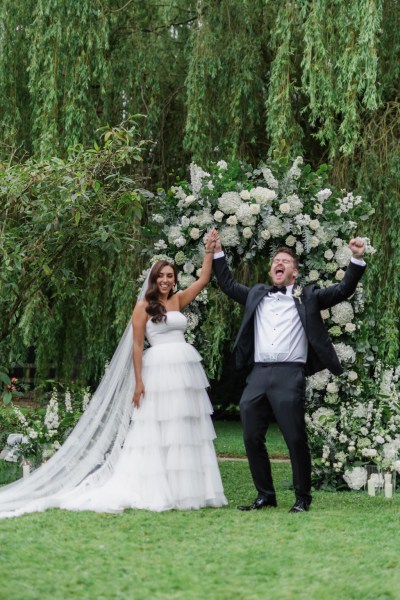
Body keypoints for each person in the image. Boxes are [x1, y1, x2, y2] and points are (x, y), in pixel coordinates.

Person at [0, 229, 226, 518]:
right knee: (156, 429)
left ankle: (185, 489)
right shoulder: (143, 306)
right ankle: (155, 487)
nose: (167, 281)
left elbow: (205, 279)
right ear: (154, 279)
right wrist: (139, 382)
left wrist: (210, 249)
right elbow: (135, 345)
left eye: (170, 276)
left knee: (182, 427)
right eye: (162, 276)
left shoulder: (179, 300)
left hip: (183, 372)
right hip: (158, 371)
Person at [212, 235, 366, 513]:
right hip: (258, 374)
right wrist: (218, 252)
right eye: (276, 261)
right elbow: (228, 284)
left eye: (285, 262)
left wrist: (355, 259)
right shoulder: (257, 294)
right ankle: (265, 495)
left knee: (294, 438)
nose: (279, 264)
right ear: (272, 270)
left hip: (289, 374)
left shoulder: (307, 296)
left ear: (294, 272)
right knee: (250, 436)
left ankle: (302, 498)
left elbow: (342, 290)